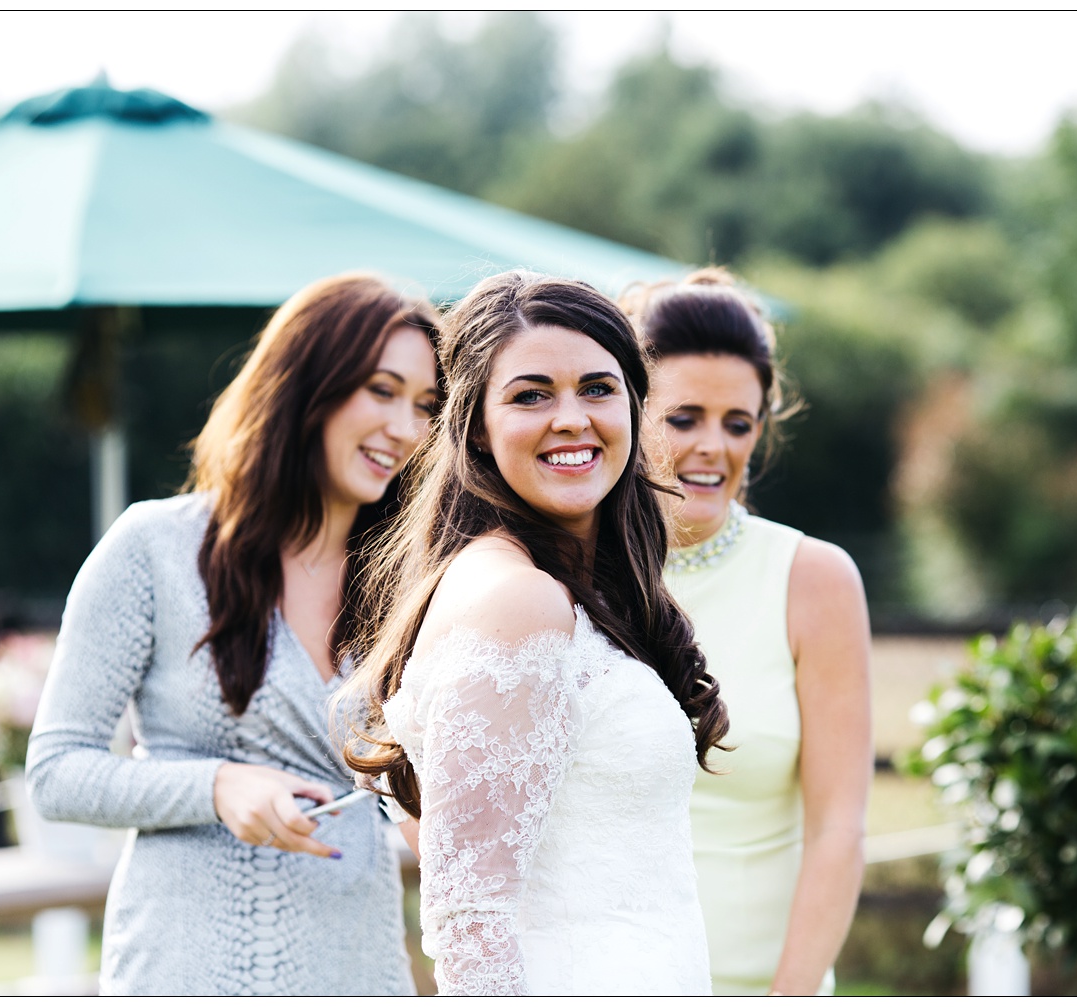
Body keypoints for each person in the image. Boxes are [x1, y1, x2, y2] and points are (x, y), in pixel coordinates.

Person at [26, 274, 441, 995]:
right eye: (381, 390)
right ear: (304, 383)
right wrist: (217, 785)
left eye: (426, 406)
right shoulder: (154, 547)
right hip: (186, 966)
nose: (406, 428)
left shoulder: (410, 581)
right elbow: (57, 771)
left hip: (358, 966)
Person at [339, 271, 729, 996]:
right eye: (530, 395)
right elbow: (468, 915)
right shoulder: (515, 599)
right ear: (476, 427)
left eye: (597, 388)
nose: (572, 417)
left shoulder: (580, 591)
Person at [625, 268, 872, 996]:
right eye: (683, 417)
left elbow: (839, 828)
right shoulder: (564, 577)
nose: (714, 447)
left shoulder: (814, 579)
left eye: (739, 423)